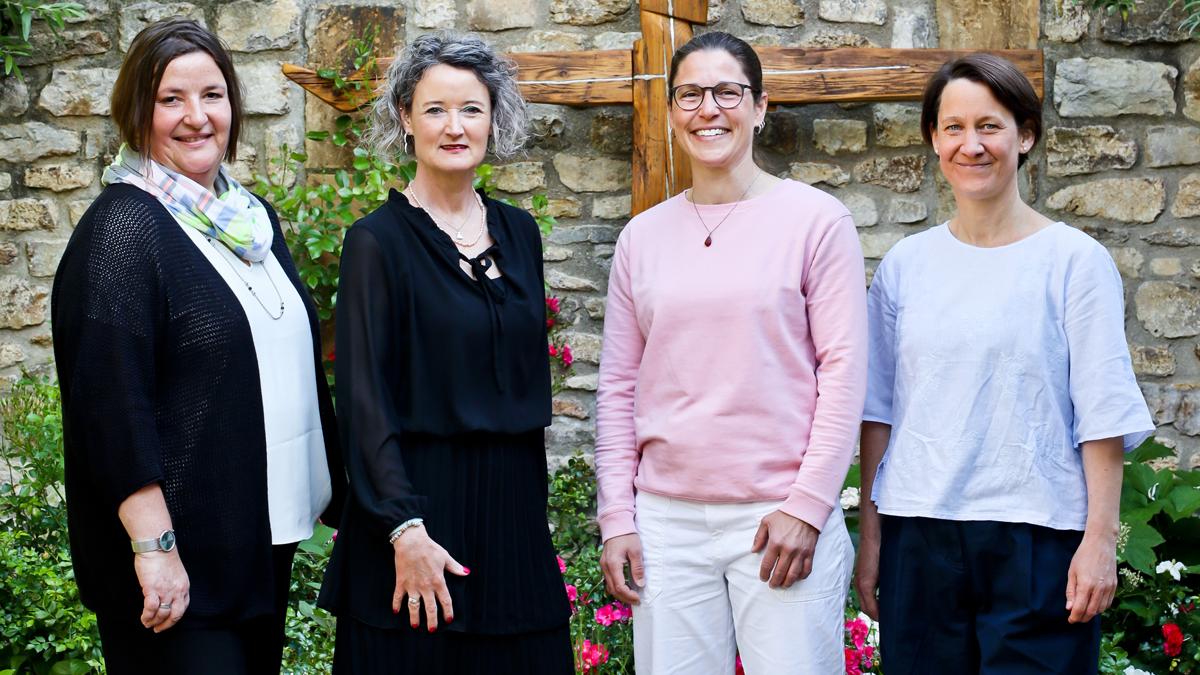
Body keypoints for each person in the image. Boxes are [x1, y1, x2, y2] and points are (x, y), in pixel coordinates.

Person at [50, 18, 345, 675]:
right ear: (137, 111)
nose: (196, 117)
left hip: (256, 547)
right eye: (171, 99)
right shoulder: (123, 229)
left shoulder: (250, 220)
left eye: (212, 95)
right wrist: (154, 547)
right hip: (180, 566)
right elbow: (111, 410)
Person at [853, 53, 1155, 674]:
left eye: (990, 126)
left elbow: (1101, 409)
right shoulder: (906, 266)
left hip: (1037, 537)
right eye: (954, 127)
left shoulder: (1075, 261)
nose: (972, 145)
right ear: (934, 140)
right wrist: (872, 538)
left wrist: (1098, 541)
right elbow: (877, 410)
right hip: (920, 533)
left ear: (1025, 135)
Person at [594, 30, 868, 675]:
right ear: (672, 110)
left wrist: (806, 508)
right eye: (690, 94)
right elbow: (618, 387)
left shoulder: (816, 223)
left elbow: (845, 372)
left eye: (727, 92)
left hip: (777, 517)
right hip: (666, 523)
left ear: (760, 106)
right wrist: (617, 518)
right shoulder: (642, 239)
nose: (708, 108)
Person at [316, 32, 573, 674]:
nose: (454, 127)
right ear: (405, 118)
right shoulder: (376, 242)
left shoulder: (520, 233)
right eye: (435, 109)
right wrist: (402, 529)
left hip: (511, 527)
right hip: (418, 530)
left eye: (470, 109)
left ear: (494, 118)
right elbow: (364, 403)